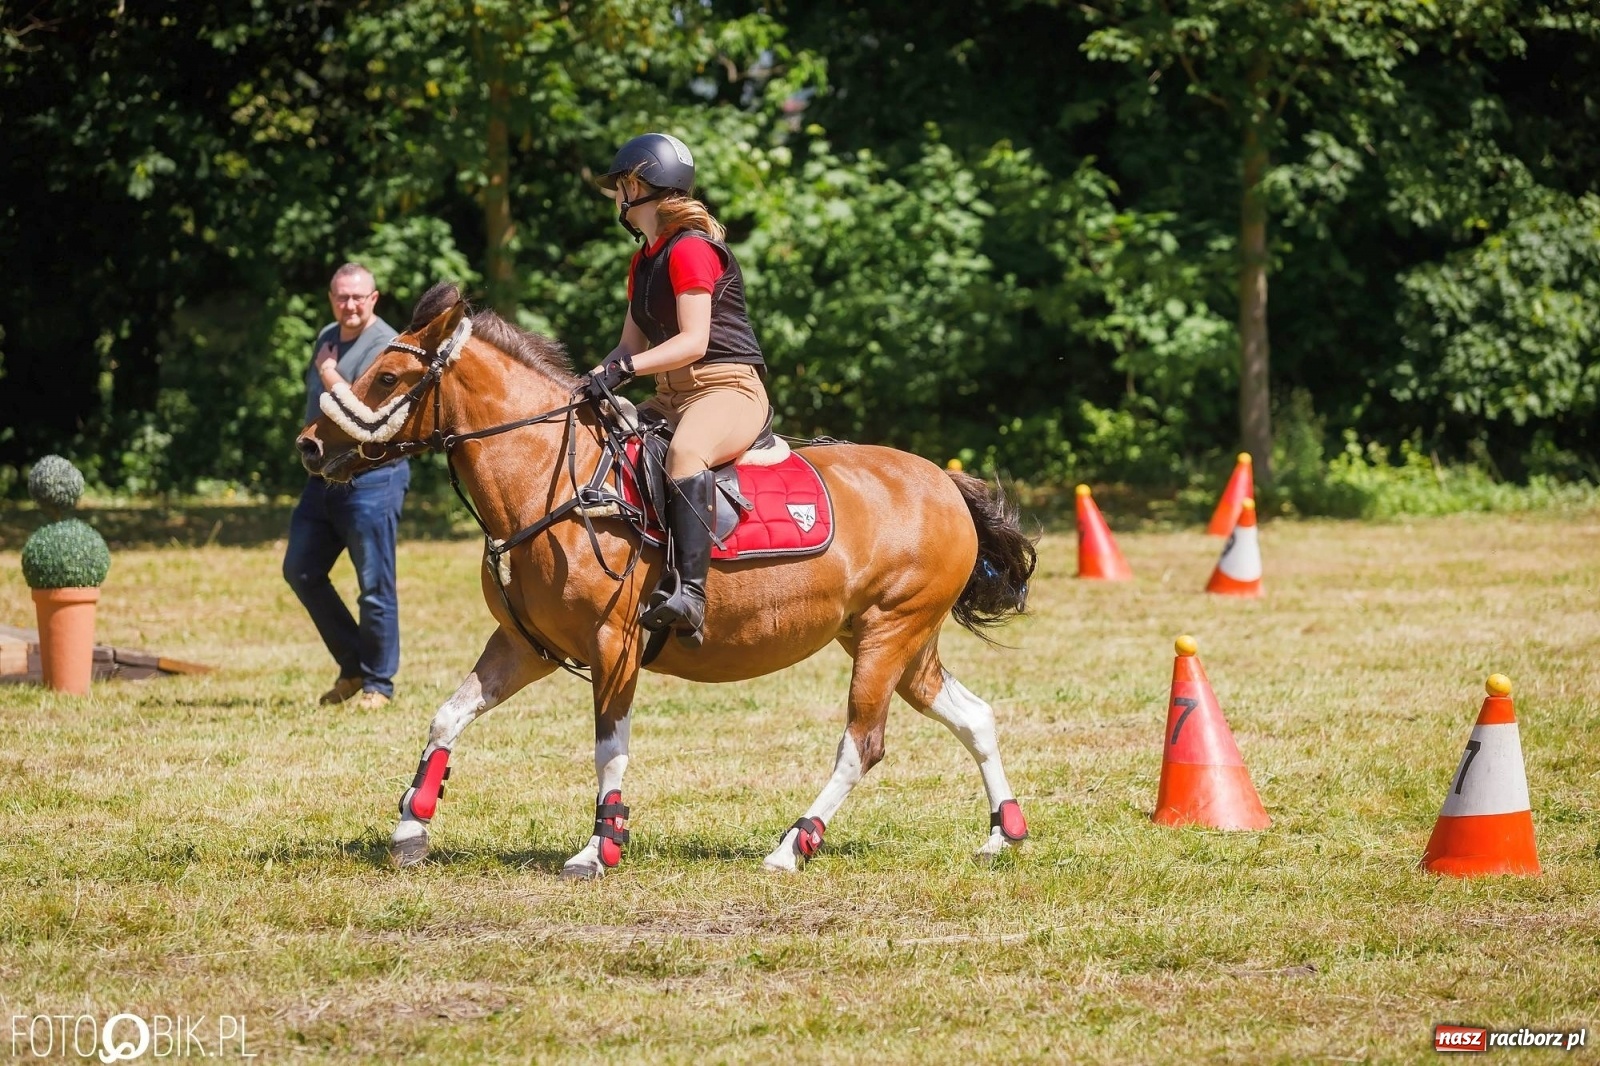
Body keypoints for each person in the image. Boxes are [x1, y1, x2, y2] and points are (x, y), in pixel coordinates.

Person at [586, 132, 770, 647]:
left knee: (686, 454)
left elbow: (694, 341)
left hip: (727, 389)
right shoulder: (644, 259)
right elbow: (627, 346)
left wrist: (628, 371)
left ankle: (690, 594)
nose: (618, 200)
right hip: (671, 396)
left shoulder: (690, 249)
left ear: (639, 187)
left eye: (621, 187)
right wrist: (594, 380)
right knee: (605, 439)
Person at [283, 262, 408, 708]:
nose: (349, 304)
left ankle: (379, 684)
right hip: (324, 478)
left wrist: (329, 372)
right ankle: (354, 667)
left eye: (358, 296)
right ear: (331, 297)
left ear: (373, 298)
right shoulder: (327, 335)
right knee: (300, 569)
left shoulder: (385, 344)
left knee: (375, 585)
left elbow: (362, 411)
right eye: (341, 296)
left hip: (373, 479)